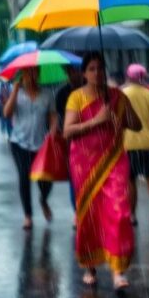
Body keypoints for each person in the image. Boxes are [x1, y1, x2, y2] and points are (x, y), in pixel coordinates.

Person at [63, 52, 142, 290]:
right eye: (92, 69)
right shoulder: (76, 98)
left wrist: (121, 118)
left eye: (100, 68)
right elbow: (68, 132)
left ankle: (118, 271)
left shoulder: (117, 96)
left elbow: (136, 124)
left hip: (114, 161)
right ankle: (90, 265)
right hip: (84, 165)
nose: (97, 73)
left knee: (118, 212)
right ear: (84, 73)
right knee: (91, 215)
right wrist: (97, 121)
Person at [3, 68, 56, 230]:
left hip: (42, 143)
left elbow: (52, 117)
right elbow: (6, 113)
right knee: (24, 177)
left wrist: (52, 133)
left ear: (39, 74)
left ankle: (43, 200)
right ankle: (28, 215)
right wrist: (15, 90)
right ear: (23, 76)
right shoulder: (17, 93)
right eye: (28, 73)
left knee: (46, 179)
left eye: (35, 73)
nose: (32, 77)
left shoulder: (47, 94)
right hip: (19, 143)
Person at [122, 64, 149, 229]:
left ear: (128, 77)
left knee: (130, 179)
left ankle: (132, 215)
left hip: (128, 144)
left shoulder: (122, 95)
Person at [55, 66, 85, 210]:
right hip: (71, 140)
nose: (75, 74)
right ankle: (78, 210)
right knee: (74, 175)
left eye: (78, 71)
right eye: (72, 71)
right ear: (68, 73)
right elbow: (61, 119)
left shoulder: (93, 89)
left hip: (92, 139)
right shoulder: (62, 93)